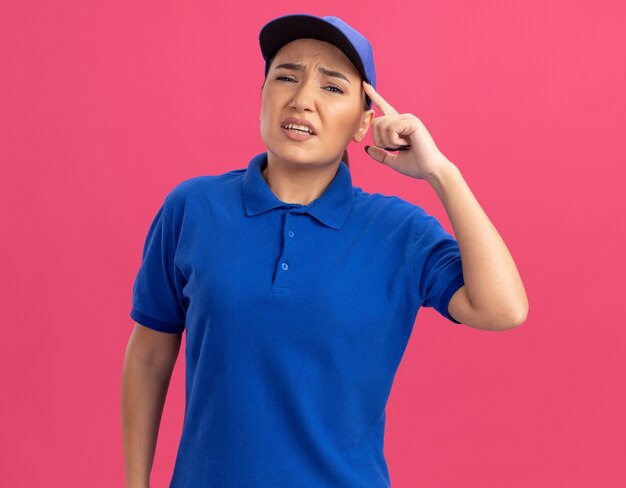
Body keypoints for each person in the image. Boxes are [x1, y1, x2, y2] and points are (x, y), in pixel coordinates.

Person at [121, 13, 528, 488]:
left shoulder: (398, 232)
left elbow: (504, 308)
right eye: (286, 77)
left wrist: (442, 173)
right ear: (262, 99)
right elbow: (149, 356)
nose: (302, 99)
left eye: (332, 88)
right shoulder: (192, 208)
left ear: (364, 123)